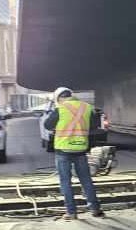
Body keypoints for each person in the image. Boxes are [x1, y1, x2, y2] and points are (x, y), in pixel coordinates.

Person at [44, 87, 104, 220]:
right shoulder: (87, 107)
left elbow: (47, 125)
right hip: (81, 149)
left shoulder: (60, 109)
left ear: (59, 98)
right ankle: (95, 209)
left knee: (65, 182)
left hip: (63, 150)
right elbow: (94, 126)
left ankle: (71, 212)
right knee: (86, 180)